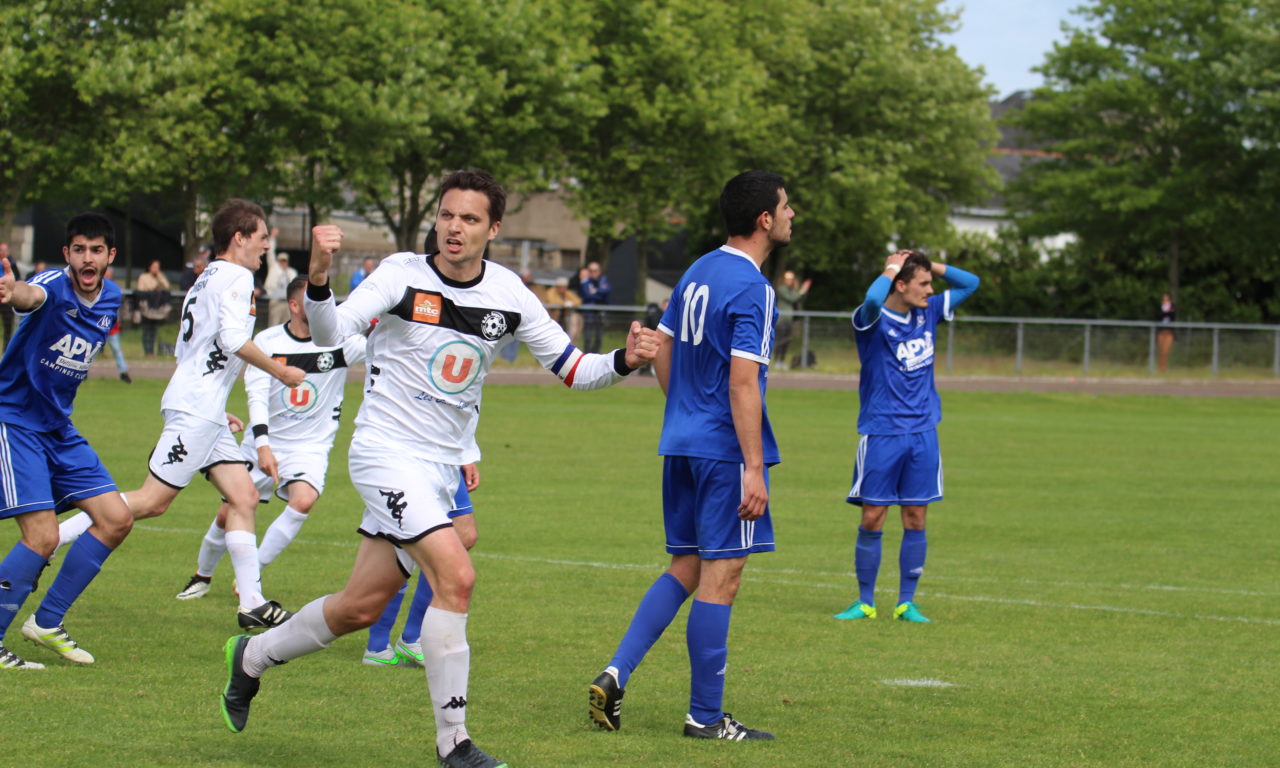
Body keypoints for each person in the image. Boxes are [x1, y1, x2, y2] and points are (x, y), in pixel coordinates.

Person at [217, 169, 659, 768]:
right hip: (383, 454)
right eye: (447, 215)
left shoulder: (509, 293)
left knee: (359, 607)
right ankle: (454, 743)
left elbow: (574, 367)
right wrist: (319, 278)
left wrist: (625, 359)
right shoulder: (400, 275)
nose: (454, 227)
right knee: (458, 575)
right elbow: (334, 330)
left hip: (438, 468)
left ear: (493, 229)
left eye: (470, 219)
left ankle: (252, 657)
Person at [589, 170, 791, 741]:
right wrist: (754, 466)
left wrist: (683, 413)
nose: (792, 214)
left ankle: (615, 672)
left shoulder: (698, 270)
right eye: (786, 206)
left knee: (686, 565)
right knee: (721, 577)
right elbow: (743, 382)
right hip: (724, 455)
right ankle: (705, 716)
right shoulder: (754, 286)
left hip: (679, 444)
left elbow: (661, 350)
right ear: (764, 220)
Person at [58, 200, 306, 630]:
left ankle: (252, 602)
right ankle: (47, 539)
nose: (267, 246)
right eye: (263, 237)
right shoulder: (238, 276)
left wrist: (216, 405)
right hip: (196, 408)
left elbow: (192, 347)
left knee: (244, 496)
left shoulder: (207, 274)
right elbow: (231, 339)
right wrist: (280, 370)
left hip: (201, 405)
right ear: (241, 237)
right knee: (152, 502)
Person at [174, 277, 367, 600]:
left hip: (310, 447)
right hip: (261, 443)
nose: (323, 308)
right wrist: (262, 445)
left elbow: (383, 347)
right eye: (313, 301)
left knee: (303, 499)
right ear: (293, 305)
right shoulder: (267, 341)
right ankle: (201, 575)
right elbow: (257, 396)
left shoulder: (341, 343)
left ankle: (252, 574)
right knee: (227, 514)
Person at [0, 213, 134, 669]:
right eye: (79, 249)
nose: (87, 258)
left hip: (59, 427)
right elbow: (29, 295)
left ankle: (47, 621)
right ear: (67, 255)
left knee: (116, 519)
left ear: (110, 256)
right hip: (16, 420)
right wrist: (12, 291)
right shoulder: (53, 284)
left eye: (96, 250)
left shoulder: (111, 296)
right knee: (42, 537)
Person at [834, 249, 979, 624]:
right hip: (882, 432)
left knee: (916, 515)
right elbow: (870, 298)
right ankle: (865, 602)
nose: (931, 290)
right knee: (873, 517)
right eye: (924, 283)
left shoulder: (928, 313)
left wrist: (929, 264)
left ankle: (905, 603)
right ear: (900, 284)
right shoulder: (873, 318)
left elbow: (971, 283)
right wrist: (891, 266)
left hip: (923, 434)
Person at [363, 465, 478, 667]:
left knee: (462, 536)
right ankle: (380, 645)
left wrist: (465, 455)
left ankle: (409, 638)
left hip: (443, 459)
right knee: (399, 537)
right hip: (408, 456)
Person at [774, 270, 811, 370]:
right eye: (787, 279)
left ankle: (782, 361)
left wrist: (804, 291)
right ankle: (776, 361)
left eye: (791, 279)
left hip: (789, 320)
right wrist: (801, 291)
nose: (789, 281)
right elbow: (792, 298)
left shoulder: (793, 290)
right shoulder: (781, 289)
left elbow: (799, 298)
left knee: (786, 342)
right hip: (781, 319)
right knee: (780, 341)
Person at [135, 258, 172, 357]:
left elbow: (167, 286)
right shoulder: (144, 277)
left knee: (153, 330)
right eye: (154, 266)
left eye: (158, 267)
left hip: (157, 309)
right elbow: (141, 289)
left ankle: (152, 351)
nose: (156, 269)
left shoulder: (159, 277)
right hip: (147, 308)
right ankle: (147, 351)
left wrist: (159, 276)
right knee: (146, 330)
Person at [103, 266, 131, 383]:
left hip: (112, 326)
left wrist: (117, 322)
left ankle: (123, 372)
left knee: (117, 349)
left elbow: (117, 309)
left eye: (109, 274)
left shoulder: (114, 289)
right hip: (98, 325)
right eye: (106, 273)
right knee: (90, 350)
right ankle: (83, 372)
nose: (108, 276)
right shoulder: (96, 287)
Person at [579, 261, 611, 353]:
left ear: (599, 271)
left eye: (595, 271)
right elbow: (587, 295)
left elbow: (607, 291)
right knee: (588, 336)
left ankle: (595, 354)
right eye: (591, 271)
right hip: (589, 313)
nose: (593, 273)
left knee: (599, 336)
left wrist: (595, 291)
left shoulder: (604, 281)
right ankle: (587, 355)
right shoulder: (585, 282)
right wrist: (600, 293)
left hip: (601, 313)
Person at [265, 251, 297, 326]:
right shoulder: (274, 269)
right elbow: (270, 255)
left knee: (286, 325)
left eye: (284, 261)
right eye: (281, 261)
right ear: (278, 261)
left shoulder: (292, 272)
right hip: (276, 301)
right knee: (273, 324)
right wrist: (272, 240)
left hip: (287, 302)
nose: (283, 263)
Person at [0, 242, 20, 349]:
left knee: (8, 327)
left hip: (7, 300)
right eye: (1, 250)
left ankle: (5, 349)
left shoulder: (11, 264)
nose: (3, 252)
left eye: (4, 250)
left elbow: (18, 279)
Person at [1156, 293, 1176, 373]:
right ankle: (1160, 367)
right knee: (1161, 350)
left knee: (1166, 350)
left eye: (1166, 299)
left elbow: (1172, 315)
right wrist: (1166, 314)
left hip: (1169, 331)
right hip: (1161, 331)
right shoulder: (1160, 306)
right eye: (1163, 299)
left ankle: (1164, 367)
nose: (1164, 300)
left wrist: (1164, 314)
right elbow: (1158, 315)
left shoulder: (1172, 306)